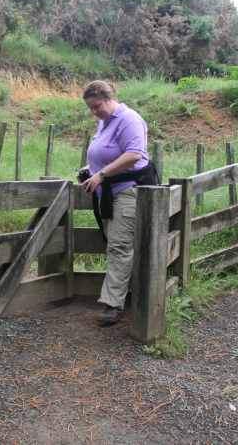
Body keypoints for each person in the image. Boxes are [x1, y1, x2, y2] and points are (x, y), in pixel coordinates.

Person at [80, 80, 156, 326]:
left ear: (109, 98)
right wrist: (90, 169)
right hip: (108, 192)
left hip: (126, 191)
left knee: (119, 247)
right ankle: (124, 295)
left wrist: (101, 174)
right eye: (91, 108)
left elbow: (134, 154)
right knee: (115, 245)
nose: (94, 112)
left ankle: (113, 305)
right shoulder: (105, 121)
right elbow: (109, 153)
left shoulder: (129, 119)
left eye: (97, 106)